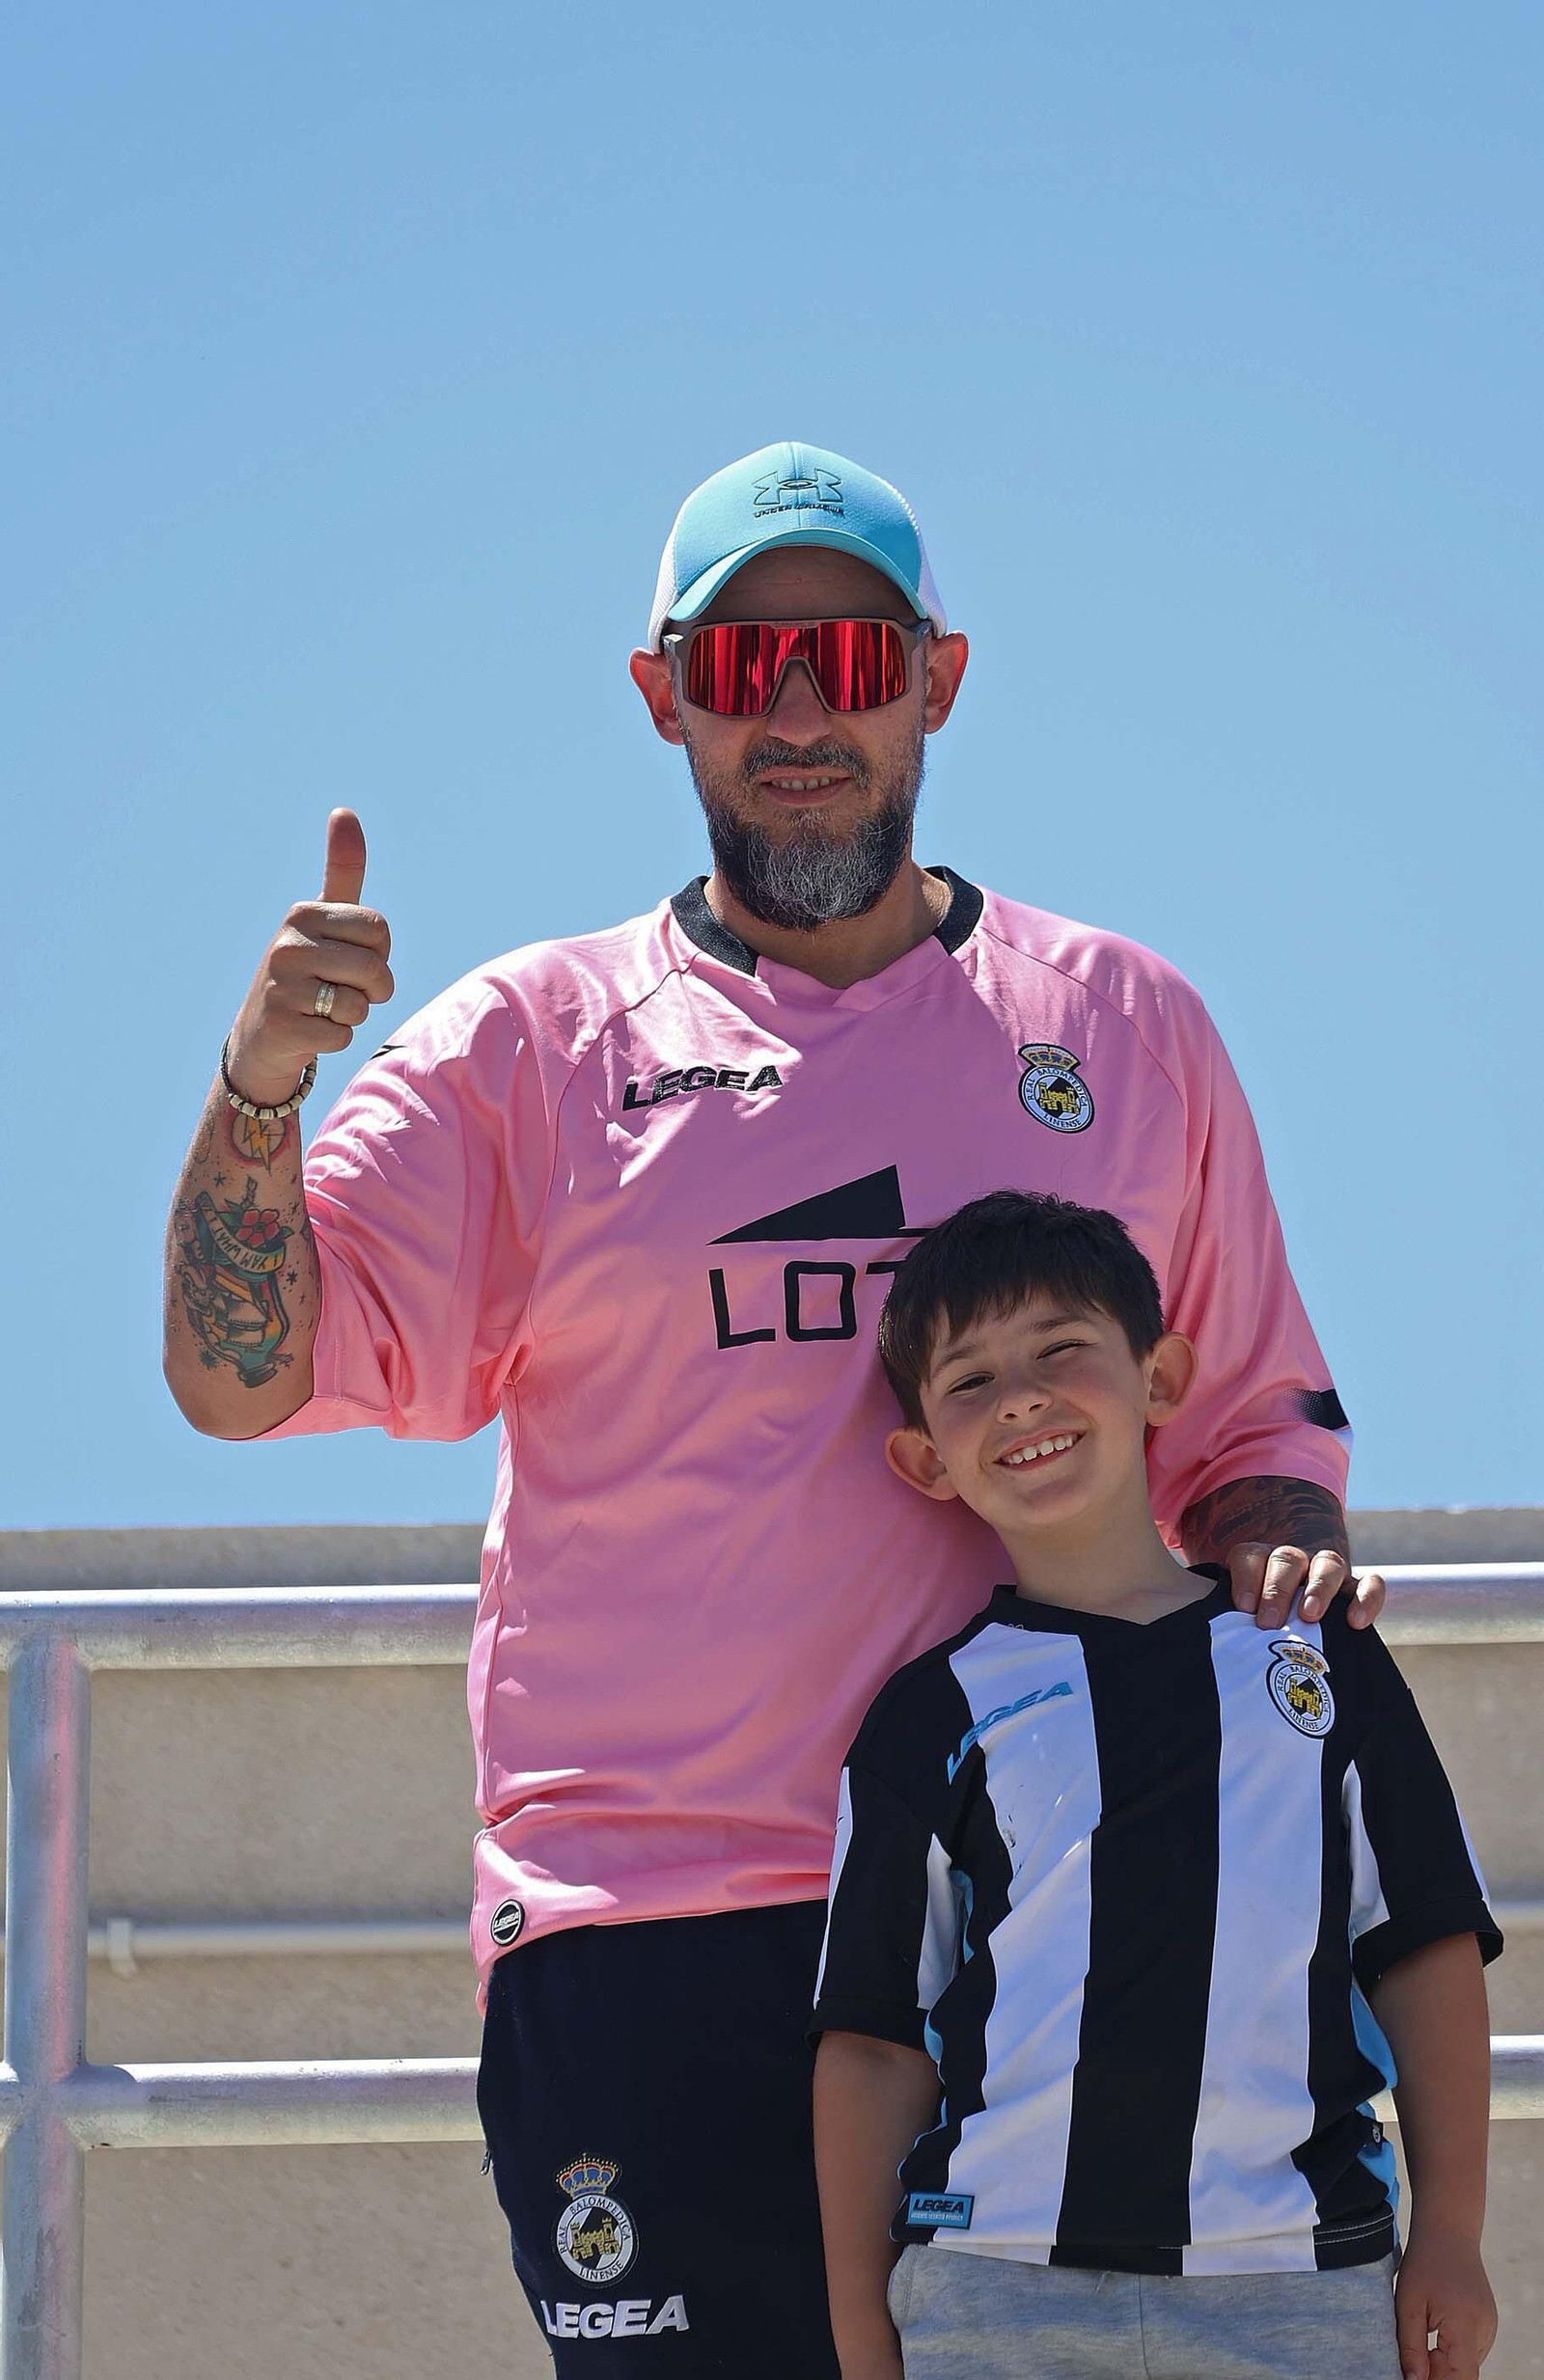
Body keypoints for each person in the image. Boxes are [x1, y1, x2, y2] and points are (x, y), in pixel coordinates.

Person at [164, 441, 1388, 2374]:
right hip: (652, 1925)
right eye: (742, 667)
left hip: (1042, 1909)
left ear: (938, 676)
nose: (800, 708)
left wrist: (1279, 1566)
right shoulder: (526, 1051)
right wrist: (254, 1099)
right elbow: (238, 1380)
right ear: (662, 696)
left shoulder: (1125, 1030)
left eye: (844, 653)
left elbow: (1248, 1447)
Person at [811, 1190, 1499, 2380]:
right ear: (923, 1456)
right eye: (968, 1379)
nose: (1020, 1397)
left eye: (1061, 1349)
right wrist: (860, 2323)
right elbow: (874, 2039)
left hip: (1303, 2289)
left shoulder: (1316, 1653)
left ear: (1162, 1377)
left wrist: (1450, 2234)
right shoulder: (927, 1714)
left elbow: (1424, 1947)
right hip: (991, 2297)